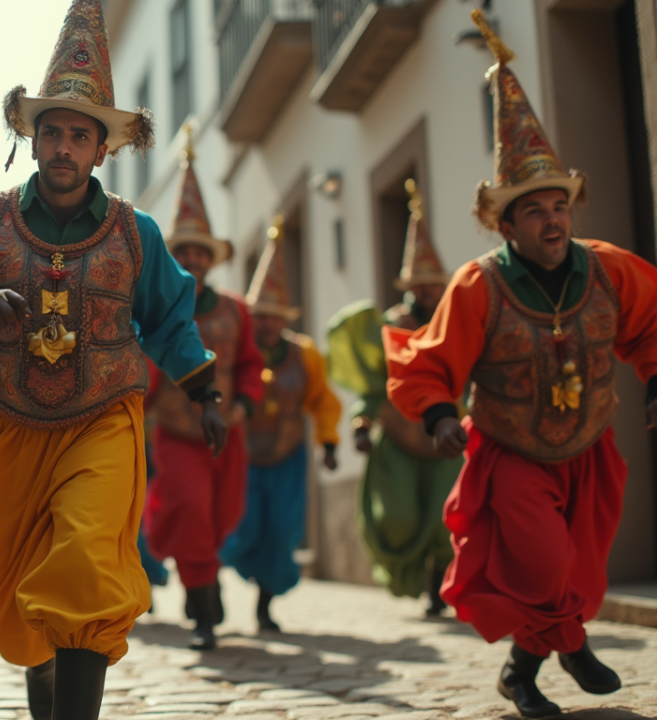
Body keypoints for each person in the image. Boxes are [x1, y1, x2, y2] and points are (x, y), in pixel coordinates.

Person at [0, 2, 226, 718]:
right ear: (33, 136)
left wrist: (205, 394)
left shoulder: (135, 233)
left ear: (101, 150)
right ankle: (46, 695)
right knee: (24, 585)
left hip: (105, 423)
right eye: (53, 131)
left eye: (81, 135)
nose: (65, 146)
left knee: (82, 565)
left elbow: (172, 316)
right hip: (14, 429)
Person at [386, 13, 657, 718]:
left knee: (585, 570)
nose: (551, 220)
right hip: (512, 453)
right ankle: (566, 645)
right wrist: (441, 414)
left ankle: (522, 674)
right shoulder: (480, 285)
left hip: (591, 444)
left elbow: (652, 327)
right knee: (541, 563)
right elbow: (430, 358)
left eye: (558, 205)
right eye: (533, 211)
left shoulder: (610, 272)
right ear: (506, 225)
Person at [144, 128, 264, 649]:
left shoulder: (237, 309)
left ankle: (204, 586)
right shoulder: (155, 309)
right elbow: (144, 372)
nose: (192, 260)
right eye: (183, 252)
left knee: (220, 518)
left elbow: (252, 367)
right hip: (175, 435)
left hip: (227, 436)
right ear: (173, 257)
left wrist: (243, 404)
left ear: (210, 258)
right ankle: (204, 613)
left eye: (200, 252)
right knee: (191, 511)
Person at [327, 179, 461, 617]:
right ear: (409, 286)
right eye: (419, 285)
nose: (426, 291)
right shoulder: (391, 326)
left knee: (447, 519)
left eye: (432, 284)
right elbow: (372, 382)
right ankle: (413, 577)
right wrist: (361, 425)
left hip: (448, 439)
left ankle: (438, 589)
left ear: (440, 286)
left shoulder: (457, 323)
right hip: (399, 438)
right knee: (399, 515)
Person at [220, 219, 341, 634]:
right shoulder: (237, 353)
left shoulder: (304, 354)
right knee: (245, 526)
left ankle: (265, 605)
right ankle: (216, 584)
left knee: (282, 532)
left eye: (275, 317)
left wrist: (328, 442)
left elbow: (323, 400)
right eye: (261, 317)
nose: (268, 324)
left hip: (289, 458)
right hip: (246, 455)